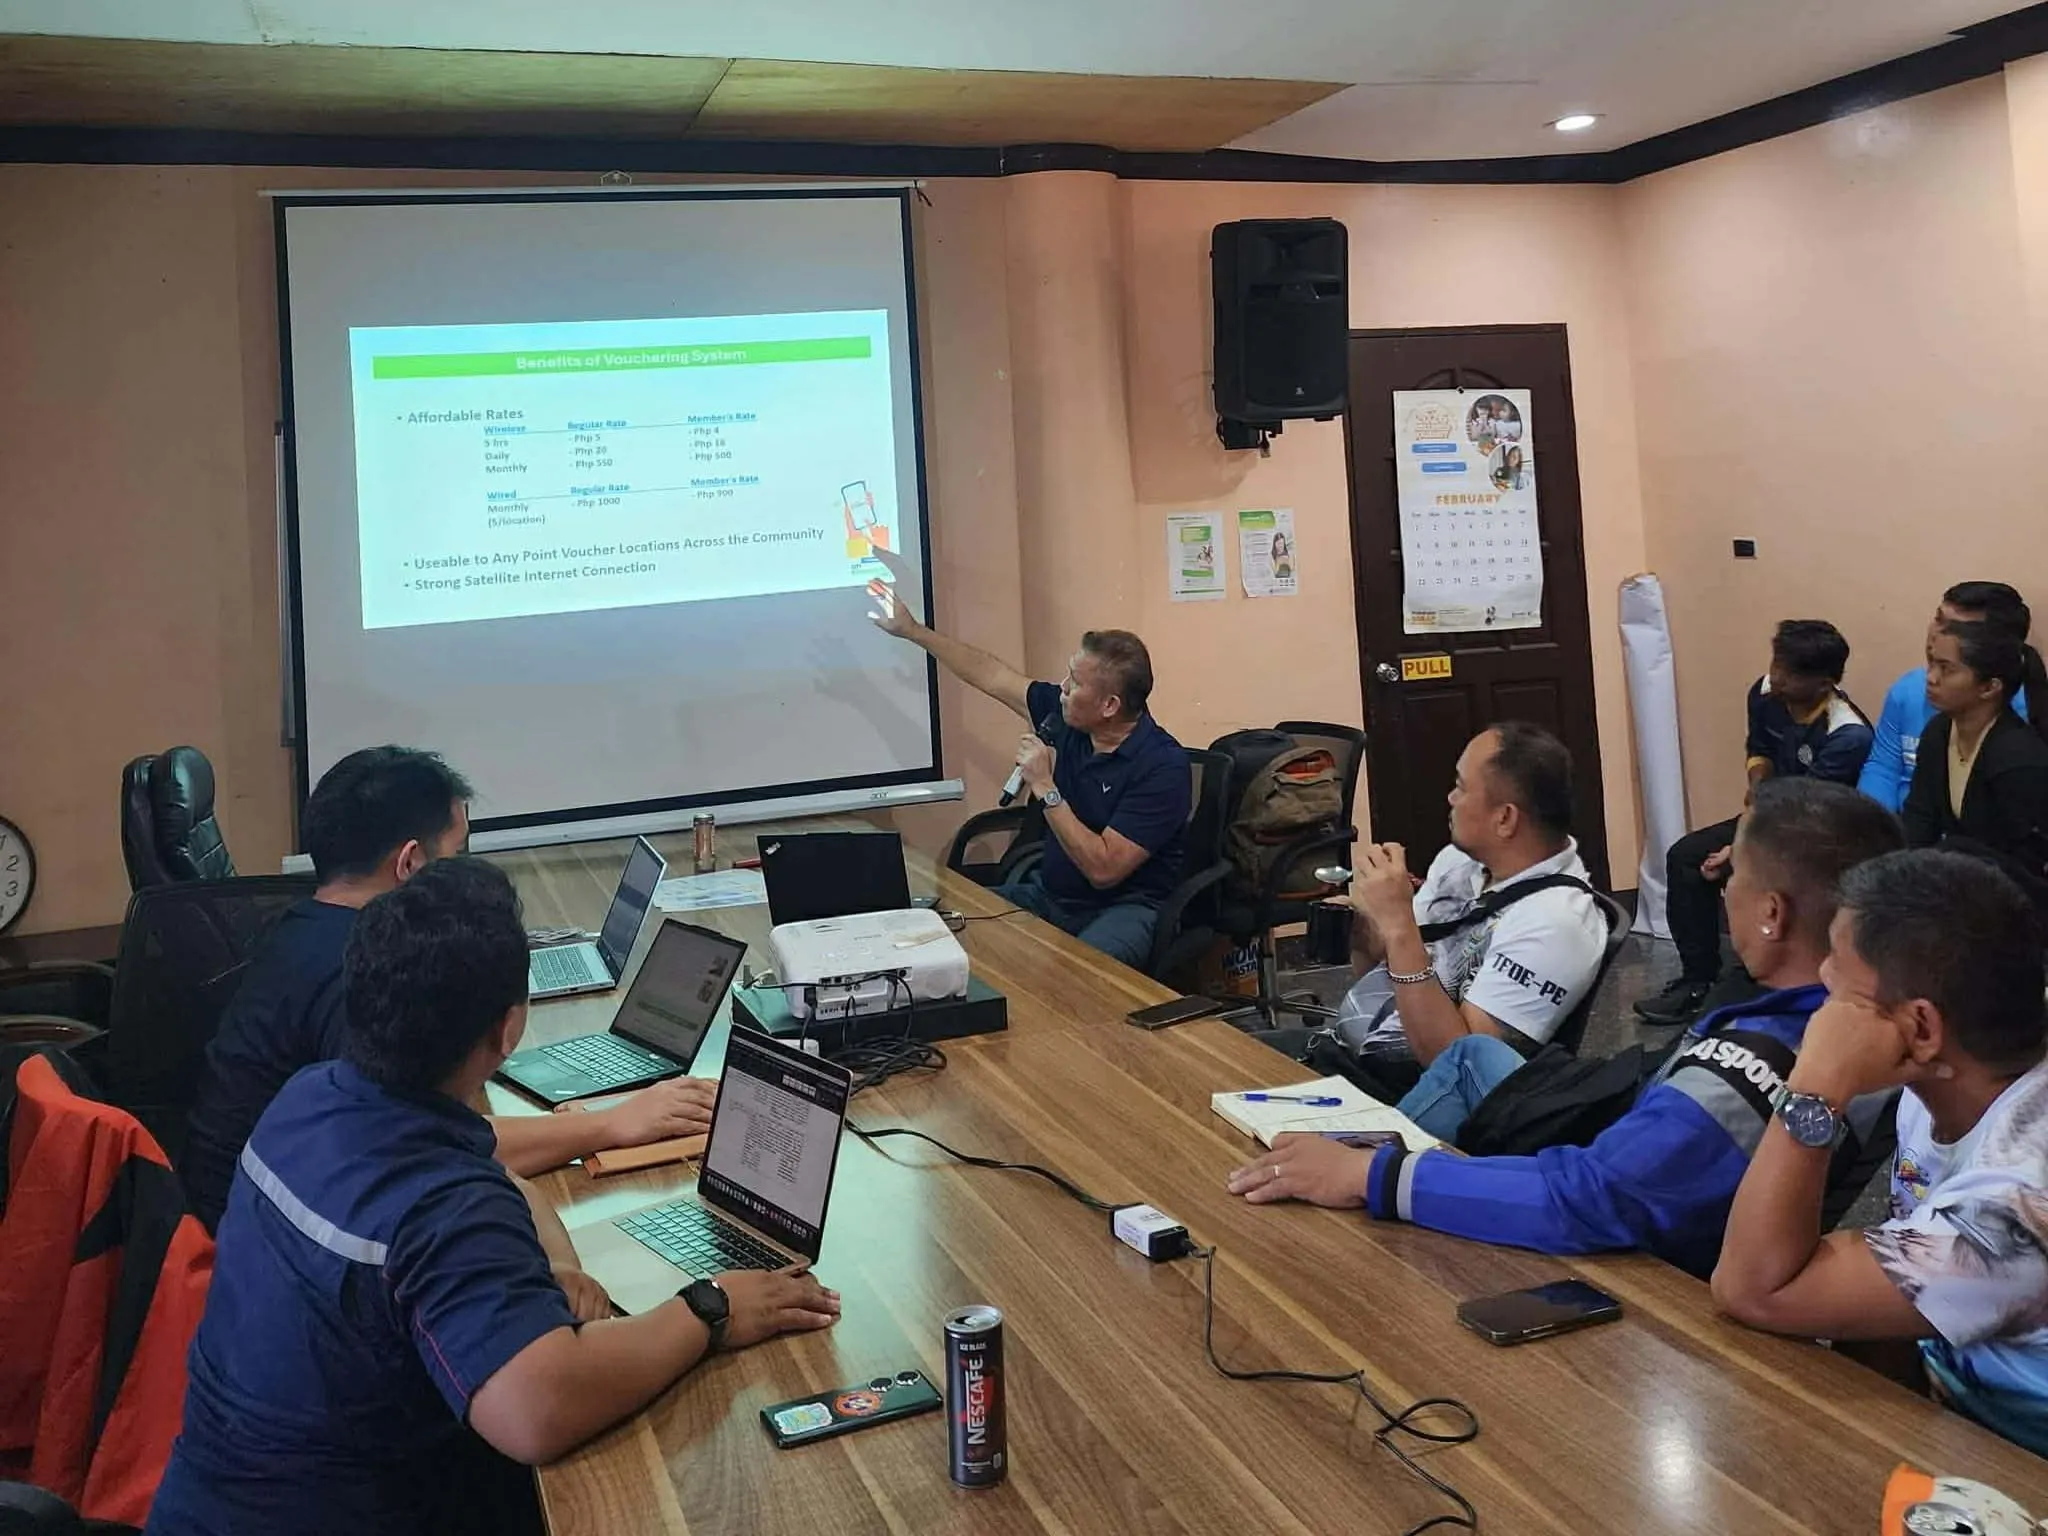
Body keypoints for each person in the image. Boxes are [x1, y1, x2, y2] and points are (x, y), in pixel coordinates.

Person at [148, 859, 839, 1535]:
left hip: (205, 1500)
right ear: (508, 1030)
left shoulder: (310, 1098)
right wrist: (709, 1309)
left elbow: (496, 1172)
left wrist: (552, 1269)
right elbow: (537, 1412)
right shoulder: (444, 1205)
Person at [1230, 780, 1902, 1279]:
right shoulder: (1821, 1008)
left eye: (1736, 877)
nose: (1722, 890)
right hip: (1618, 1143)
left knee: (1352, 1187)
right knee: (1469, 1062)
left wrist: (1374, 1175)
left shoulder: (1754, 1059)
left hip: (1630, 1256)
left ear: (1773, 914)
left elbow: (1590, 1195)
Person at [180, 746, 714, 1231]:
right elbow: (429, 1147)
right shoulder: (365, 973)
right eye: (458, 853)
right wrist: (612, 1124)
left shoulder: (309, 928)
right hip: (265, 1237)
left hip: (258, 1214)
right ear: (410, 862)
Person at [1712, 850, 2048, 1457]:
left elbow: (1751, 1288)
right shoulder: (1942, 1087)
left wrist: (1815, 1088)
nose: (1821, 979)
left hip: (2012, 1470)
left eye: (1839, 975)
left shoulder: (2011, 1214)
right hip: (1944, 1401)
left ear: (1920, 1029)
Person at [1268, 724, 1608, 1099]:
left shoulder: (1555, 924)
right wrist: (1366, 933)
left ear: (1505, 819)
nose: (1450, 797)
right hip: (1342, 1052)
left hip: (1399, 1098)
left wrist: (1399, 923)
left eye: (1461, 787)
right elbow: (1391, 981)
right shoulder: (1460, 863)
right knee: (1215, 1055)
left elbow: (1457, 1068)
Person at [868, 580, 1188, 969]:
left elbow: (1104, 869)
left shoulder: (1162, 766)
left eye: (1075, 683)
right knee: (944, 931)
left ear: (1109, 705)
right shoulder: (1068, 716)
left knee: (1077, 976)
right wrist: (914, 631)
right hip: (1050, 896)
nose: (1063, 688)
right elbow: (991, 675)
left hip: (1122, 908)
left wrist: (1045, 786)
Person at [1637, 619, 1872, 1026]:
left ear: (1824, 684)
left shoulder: (1848, 735)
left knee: (1747, 869)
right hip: (1770, 815)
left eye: (1790, 673)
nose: (1776, 677)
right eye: (1776, 664)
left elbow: (1806, 810)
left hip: (1819, 836)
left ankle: (1764, 983)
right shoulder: (1764, 694)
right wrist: (1755, 799)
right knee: (1687, 857)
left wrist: (1742, 849)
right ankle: (1697, 982)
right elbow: (1759, 750)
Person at [1901, 617, 2048, 904]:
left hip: (2009, 900)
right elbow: (1919, 819)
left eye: (1946, 669)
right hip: (1955, 885)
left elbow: (2026, 866)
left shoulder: (2019, 759)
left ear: (1989, 688)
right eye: (1932, 664)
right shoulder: (1938, 731)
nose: (1931, 678)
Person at [1859, 582, 2030, 812]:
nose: (1937, 634)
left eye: (1955, 629)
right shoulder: (1909, 689)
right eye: (1939, 619)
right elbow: (1882, 768)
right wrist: (1874, 825)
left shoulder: (2023, 718)